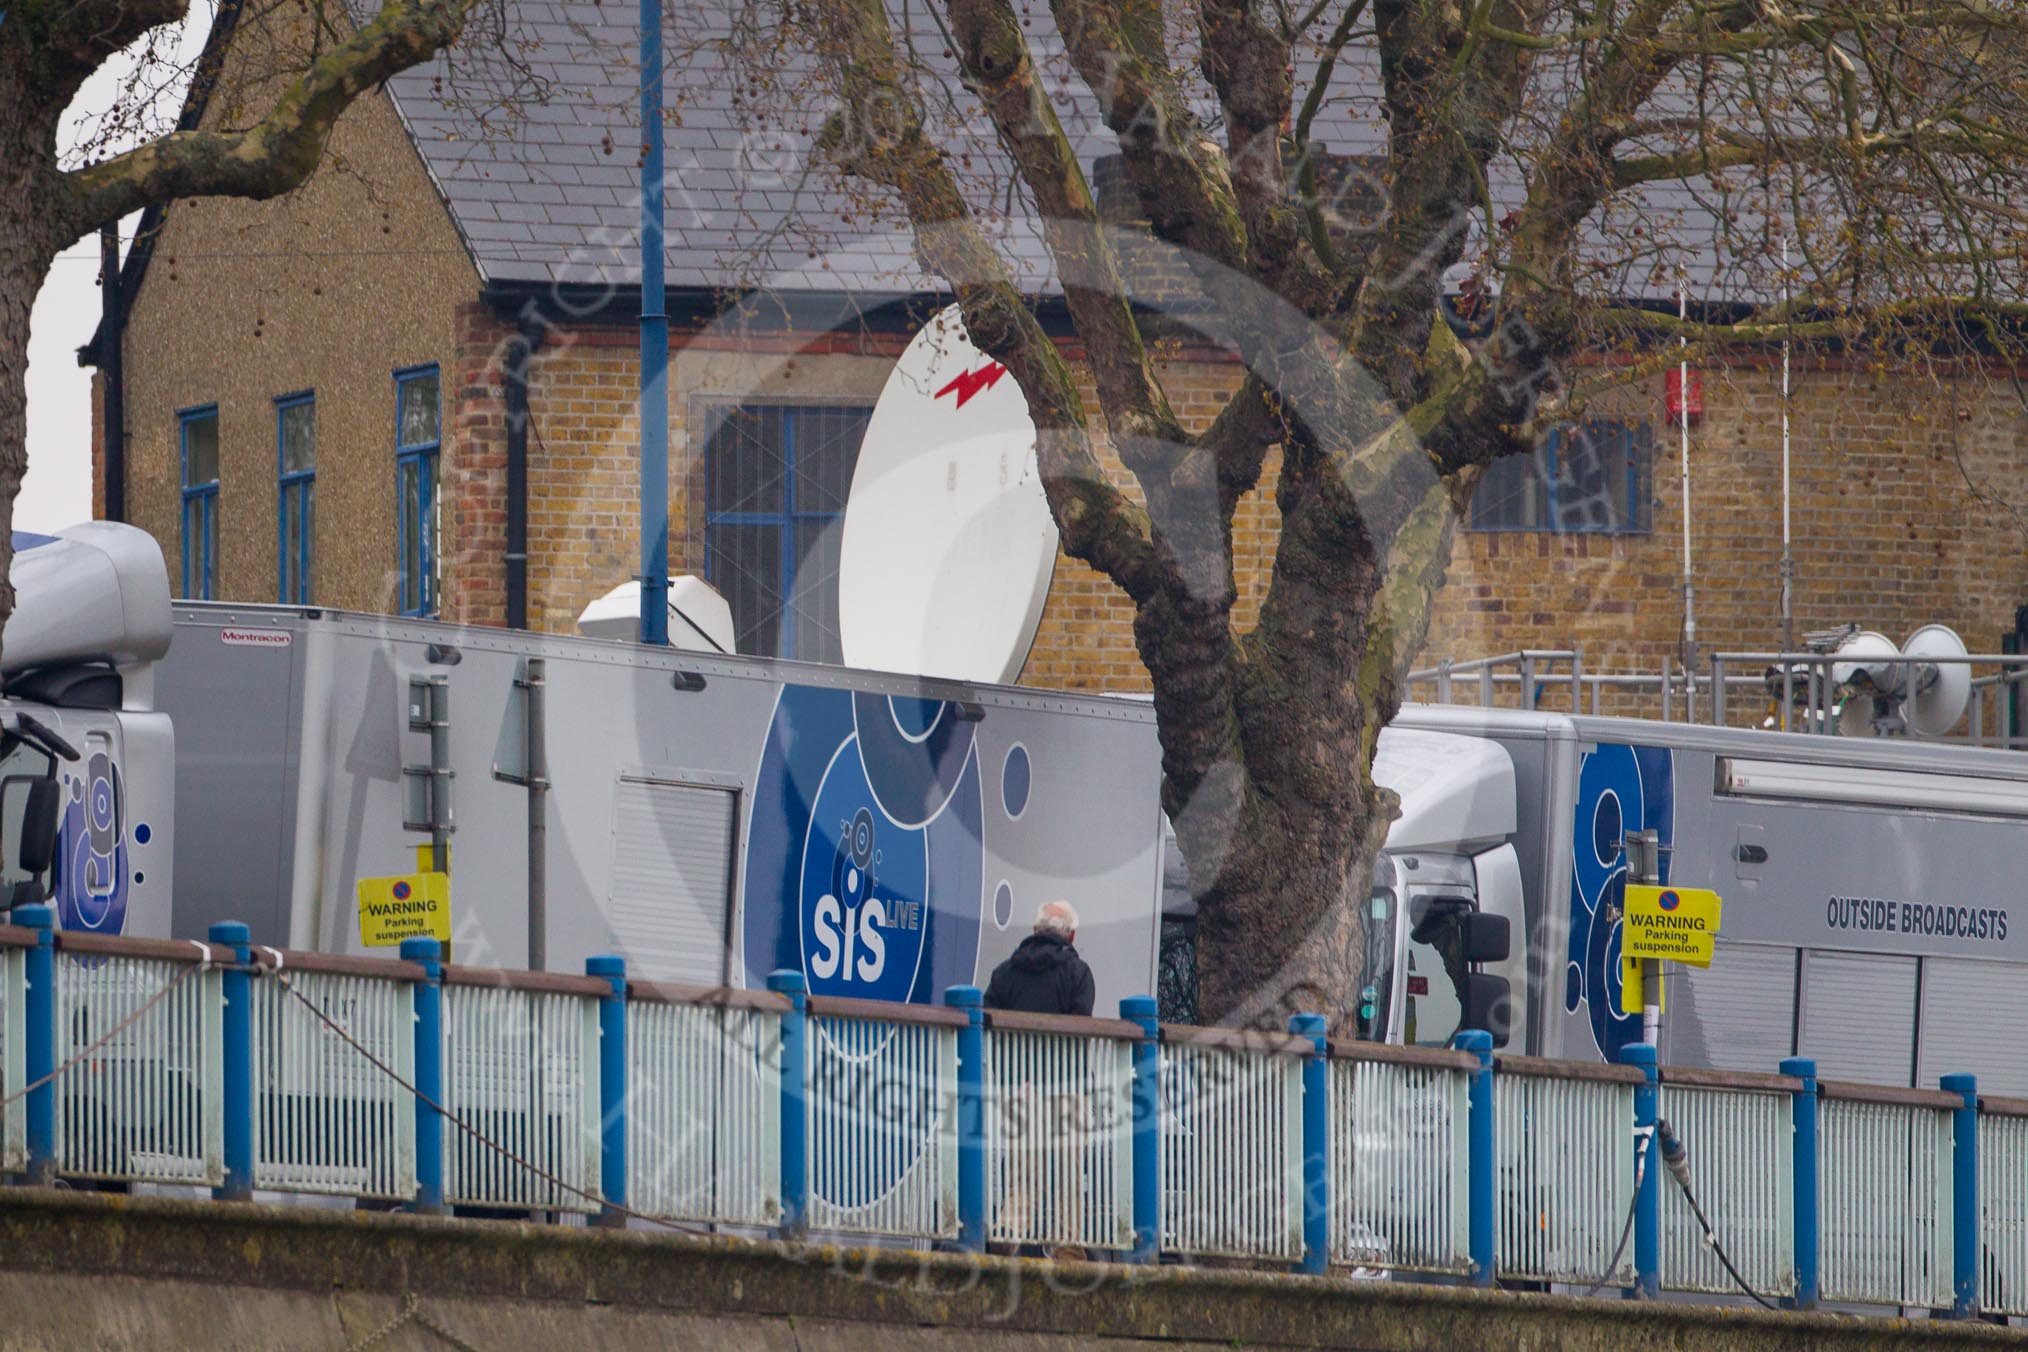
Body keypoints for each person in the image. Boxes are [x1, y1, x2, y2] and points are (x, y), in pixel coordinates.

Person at [983, 899, 1096, 1016]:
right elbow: (1081, 1023)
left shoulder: (1005, 971)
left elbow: (987, 1018)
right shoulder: (1078, 973)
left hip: (1011, 1034)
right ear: (1072, 935)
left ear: (1035, 929)